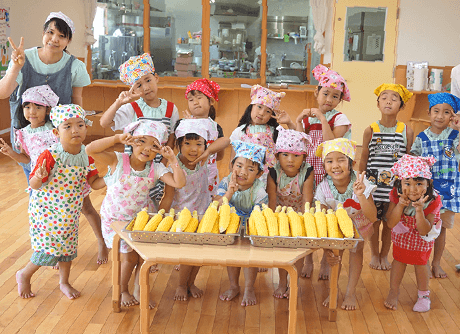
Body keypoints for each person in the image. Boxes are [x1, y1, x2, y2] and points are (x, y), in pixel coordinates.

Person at [0, 12, 108, 265]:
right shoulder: (23, 58)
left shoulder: (75, 66)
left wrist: (79, 134)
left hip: (64, 144)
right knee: (42, 201)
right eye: (50, 32)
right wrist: (15, 65)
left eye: (62, 35)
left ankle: (102, 243)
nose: (54, 39)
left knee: (84, 203)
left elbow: (77, 102)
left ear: (68, 41)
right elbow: (4, 93)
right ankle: (50, 252)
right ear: (43, 33)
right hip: (31, 142)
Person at [85, 119, 186, 309]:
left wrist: (173, 160)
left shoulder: (156, 168)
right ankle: (123, 290)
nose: (147, 149)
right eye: (142, 141)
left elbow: (179, 183)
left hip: (140, 219)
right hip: (115, 220)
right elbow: (90, 149)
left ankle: (139, 289)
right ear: (131, 141)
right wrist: (116, 138)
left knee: (143, 256)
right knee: (129, 257)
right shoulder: (117, 160)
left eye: (153, 145)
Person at [15, 104, 101, 300]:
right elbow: (34, 185)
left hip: (69, 211)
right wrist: (38, 176)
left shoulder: (86, 155)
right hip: (46, 211)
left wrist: (113, 177)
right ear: (56, 131)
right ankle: (25, 274)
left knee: (68, 247)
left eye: (80, 125)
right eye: (67, 126)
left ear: (86, 128)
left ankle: (64, 281)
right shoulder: (50, 154)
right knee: (50, 247)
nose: (75, 130)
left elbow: (94, 183)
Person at [277, 64, 352, 280]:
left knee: (327, 218)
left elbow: (331, 144)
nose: (329, 99)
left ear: (340, 101)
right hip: (310, 174)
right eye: (325, 93)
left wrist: (321, 118)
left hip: (329, 175)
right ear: (316, 93)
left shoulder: (339, 119)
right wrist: (296, 121)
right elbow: (302, 142)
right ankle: (308, 259)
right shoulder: (308, 119)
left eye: (335, 96)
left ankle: (326, 261)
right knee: (308, 215)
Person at [100, 53, 179, 206]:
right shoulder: (132, 108)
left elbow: (171, 138)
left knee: (152, 203)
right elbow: (104, 122)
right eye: (139, 85)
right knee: (132, 201)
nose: (146, 87)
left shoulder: (171, 108)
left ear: (156, 78)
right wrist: (118, 102)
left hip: (157, 169)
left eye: (148, 80)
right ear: (133, 89)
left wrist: (161, 165)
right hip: (133, 169)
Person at [314, 138, 377, 310]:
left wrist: (361, 195)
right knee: (335, 258)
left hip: (360, 227)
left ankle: (350, 292)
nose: (335, 165)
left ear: (352, 163)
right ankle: (333, 291)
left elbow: (372, 216)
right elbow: (322, 220)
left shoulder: (363, 184)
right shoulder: (323, 187)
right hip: (336, 229)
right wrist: (327, 250)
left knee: (356, 257)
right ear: (324, 165)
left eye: (341, 160)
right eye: (329, 161)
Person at [159, 118, 218, 301]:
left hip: (203, 213)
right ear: (178, 144)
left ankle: (191, 283)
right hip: (183, 217)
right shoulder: (174, 167)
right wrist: (160, 217)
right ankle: (181, 285)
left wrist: (207, 150)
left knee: (199, 256)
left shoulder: (203, 159)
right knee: (188, 256)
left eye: (199, 144)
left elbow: (226, 141)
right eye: (187, 144)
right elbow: (168, 196)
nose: (194, 149)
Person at [360, 84, 414, 271]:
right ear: (377, 103)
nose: (389, 100)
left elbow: (408, 160)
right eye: (384, 97)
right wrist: (360, 181)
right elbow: (364, 158)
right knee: (374, 222)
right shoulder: (370, 130)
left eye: (394, 97)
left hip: (394, 186)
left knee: (390, 224)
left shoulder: (406, 131)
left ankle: (385, 255)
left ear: (402, 105)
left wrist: (407, 185)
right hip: (373, 186)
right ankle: (375, 254)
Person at [410, 92, 460, 279]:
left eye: (446, 112)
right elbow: (413, 160)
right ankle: (422, 261)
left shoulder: (455, 136)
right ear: (429, 113)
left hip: (448, 192)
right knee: (424, 226)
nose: (440, 116)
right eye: (436, 111)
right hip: (427, 193)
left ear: (452, 116)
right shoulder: (422, 137)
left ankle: (436, 263)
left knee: (441, 230)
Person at [384, 154, 441, 312]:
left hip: (423, 236)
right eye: (407, 183)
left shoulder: (433, 200)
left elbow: (425, 229)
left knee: (421, 262)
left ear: (428, 182)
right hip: (402, 234)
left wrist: (419, 210)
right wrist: (400, 206)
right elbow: (390, 223)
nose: (413, 189)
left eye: (419, 183)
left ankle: (424, 295)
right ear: (399, 183)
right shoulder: (396, 194)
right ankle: (393, 291)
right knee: (399, 260)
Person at [215, 141, 268, 306]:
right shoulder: (225, 182)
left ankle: (249, 288)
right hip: (231, 226)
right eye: (239, 165)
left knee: (249, 260)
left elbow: (261, 214)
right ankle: (233, 286)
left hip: (251, 228)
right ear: (232, 166)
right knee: (232, 258)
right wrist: (230, 191)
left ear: (259, 174)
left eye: (251, 169)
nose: (243, 172)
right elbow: (215, 205)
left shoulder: (259, 190)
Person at [267, 126, 314, 298]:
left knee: (297, 248)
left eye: (296, 156)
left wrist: (302, 222)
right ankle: (281, 282)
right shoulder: (273, 172)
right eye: (285, 155)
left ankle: (294, 284)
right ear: (278, 155)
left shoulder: (307, 172)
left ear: (304, 157)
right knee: (282, 248)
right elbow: (272, 201)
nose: (290, 160)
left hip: (301, 213)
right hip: (280, 213)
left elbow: (307, 200)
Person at [183, 78, 230, 195]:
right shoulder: (184, 124)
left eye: (199, 98)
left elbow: (220, 156)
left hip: (210, 175)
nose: (195, 102)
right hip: (190, 173)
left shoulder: (216, 127)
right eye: (191, 99)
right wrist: (189, 127)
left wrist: (208, 153)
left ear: (211, 101)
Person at [229, 84, 285, 182]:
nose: (261, 113)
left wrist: (288, 122)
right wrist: (232, 180)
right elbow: (232, 159)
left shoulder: (275, 132)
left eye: (268, 111)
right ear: (251, 107)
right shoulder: (239, 132)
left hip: (269, 179)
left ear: (272, 116)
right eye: (259, 107)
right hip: (244, 178)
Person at [0, 85, 59, 171]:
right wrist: (11, 153)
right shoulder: (23, 134)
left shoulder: (54, 129)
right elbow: (26, 159)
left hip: (59, 174)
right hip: (39, 177)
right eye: (27, 107)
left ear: (47, 110)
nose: (32, 112)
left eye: (38, 107)